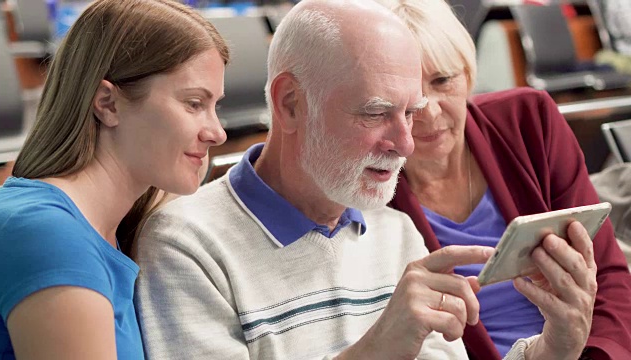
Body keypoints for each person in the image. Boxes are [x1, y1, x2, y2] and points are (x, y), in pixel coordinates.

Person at [134, 1, 597, 359]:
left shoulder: (395, 231)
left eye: (409, 112)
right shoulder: (185, 243)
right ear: (291, 103)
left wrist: (551, 350)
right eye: (375, 113)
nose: (406, 143)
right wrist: (378, 349)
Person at [378, 0, 631, 359]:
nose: (430, 112)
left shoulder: (529, 120)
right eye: (409, 98)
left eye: (442, 81)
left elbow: (608, 276)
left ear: (467, 75)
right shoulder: (370, 181)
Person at [0, 0, 228, 358]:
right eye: (194, 103)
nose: (218, 133)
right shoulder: (49, 235)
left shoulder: (112, 229)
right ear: (108, 103)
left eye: (216, 107)